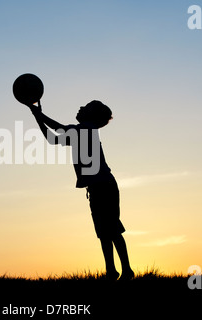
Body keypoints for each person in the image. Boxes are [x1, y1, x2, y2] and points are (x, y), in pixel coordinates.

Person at [25, 100, 134, 280]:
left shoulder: (86, 129)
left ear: (91, 115)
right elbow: (52, 139)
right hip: (98, 187)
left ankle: (126, 270)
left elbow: (58, 129)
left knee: (112, 230)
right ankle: (112, 271)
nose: (80, 108)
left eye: (86, 107)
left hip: (104, 186)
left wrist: (36, 113)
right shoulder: (80, 132)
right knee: (104, 232)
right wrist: (37, 117)